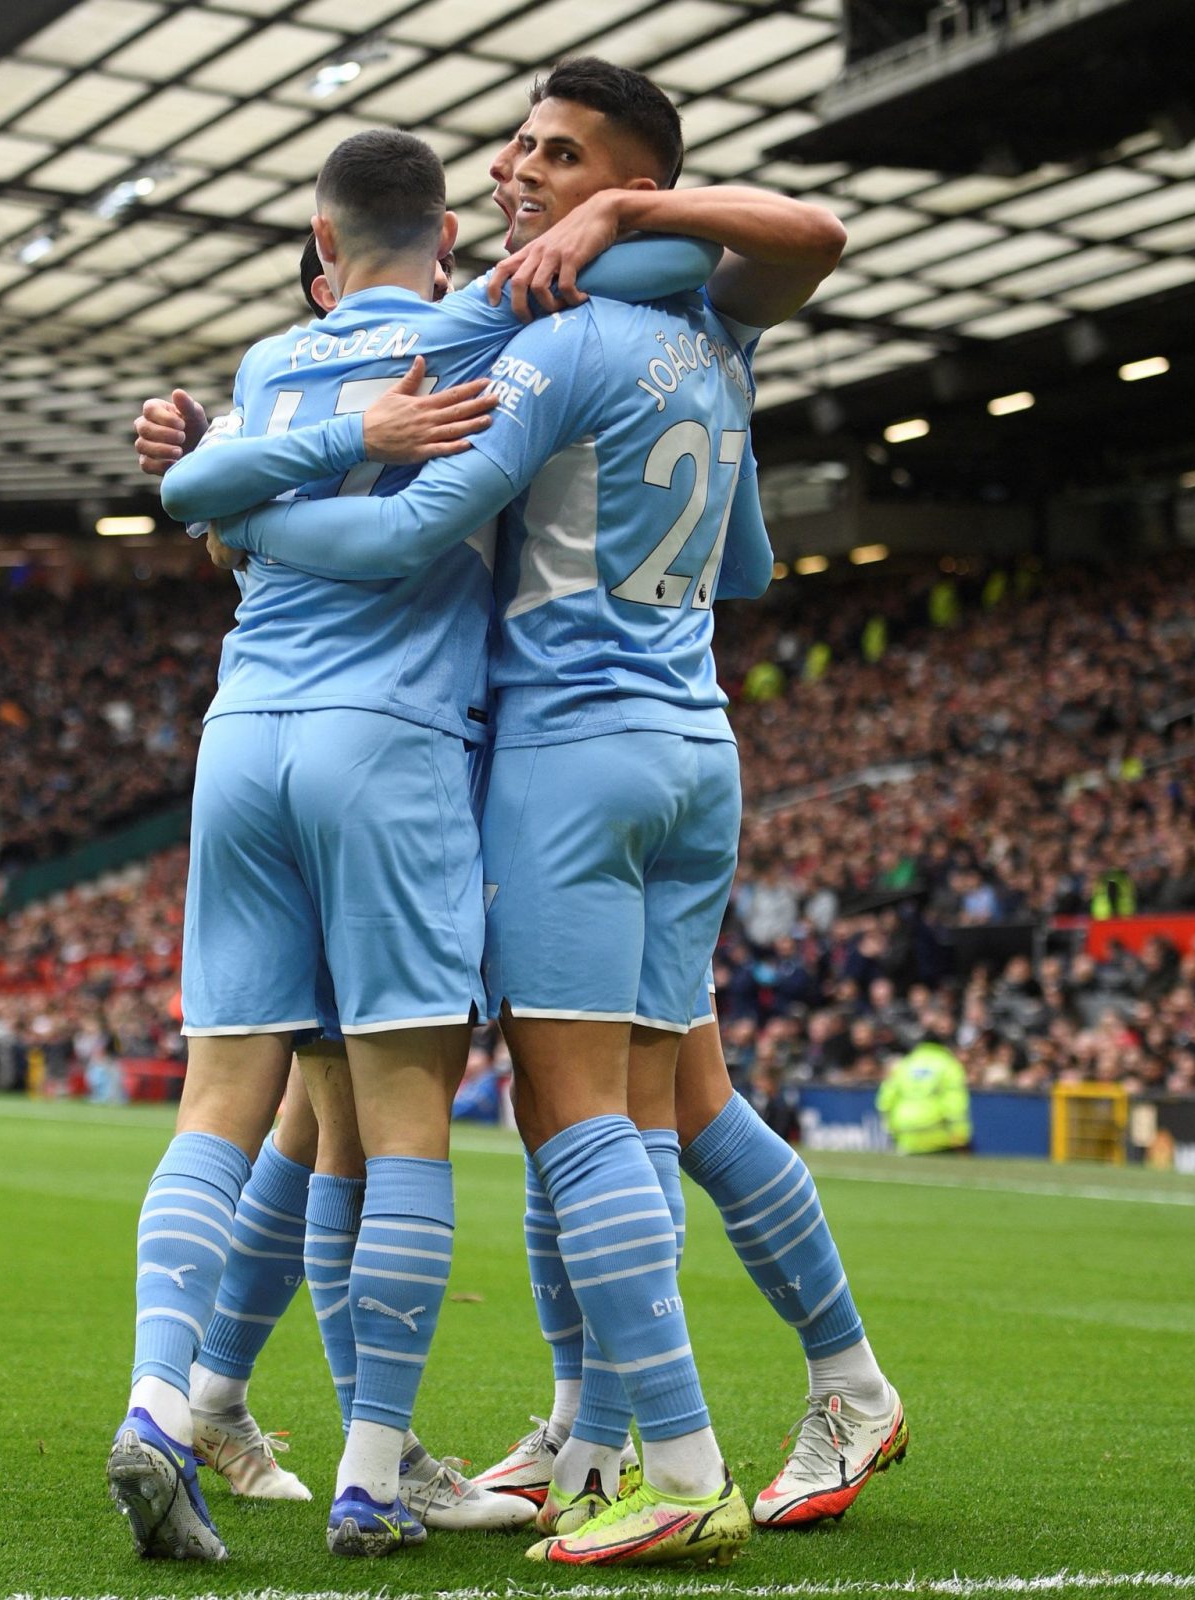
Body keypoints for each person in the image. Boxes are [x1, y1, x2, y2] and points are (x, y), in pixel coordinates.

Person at [149, 62, 903, 1549]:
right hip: (688, 735)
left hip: (552, 752)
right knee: (666, 1100)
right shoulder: (712, 337)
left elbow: (400, 530)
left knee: (535, 1109)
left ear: (632, 184)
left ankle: (662, 1463)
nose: (517, 173)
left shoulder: (542, 344)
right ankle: (632, 1420)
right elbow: (748, 562)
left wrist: (227, 495)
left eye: (557, 157)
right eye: (516, 148)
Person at [110, 126, 716, 1565]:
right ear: (450, 238)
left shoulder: (265, 363)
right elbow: (690, 271)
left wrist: (240, 458)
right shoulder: (482, 334)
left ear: (320, 246)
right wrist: (611, 221)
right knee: (401, 1123)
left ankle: (161, 1404)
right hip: (394, 745)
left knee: (221, 1104)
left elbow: (201, 510)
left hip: (241, 736)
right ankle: (373, 1473)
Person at [877, 1034, 973, 1154]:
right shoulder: (949, 1065)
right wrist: (960, 1136)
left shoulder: (904, 1064)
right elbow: (955, 1103)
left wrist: (892, 1130)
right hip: (937, 1133)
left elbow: (885, 1101)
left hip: (906, 1132)